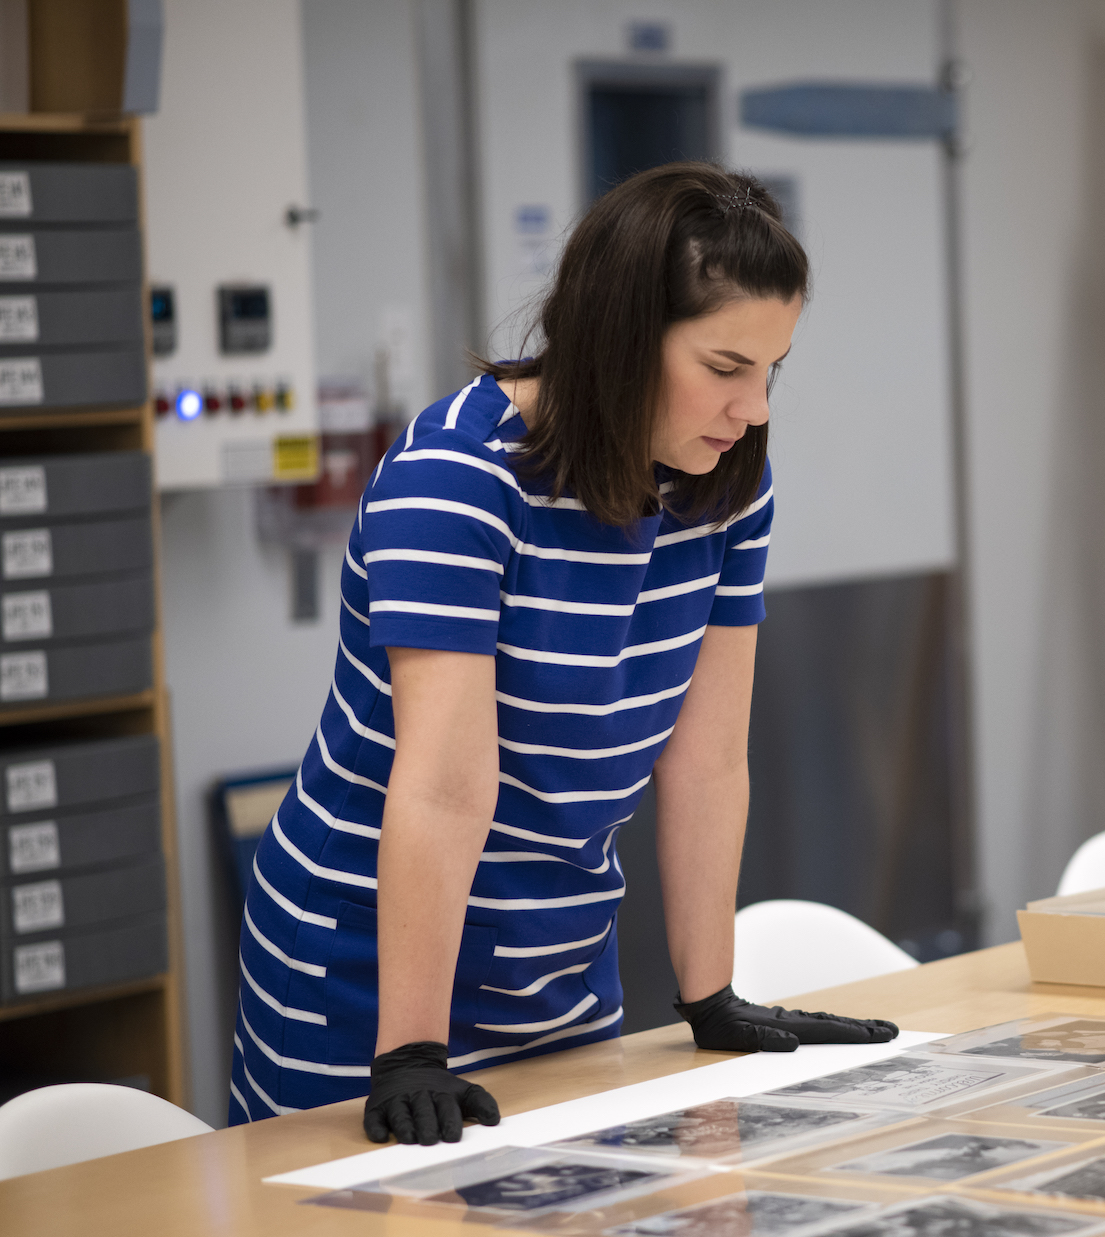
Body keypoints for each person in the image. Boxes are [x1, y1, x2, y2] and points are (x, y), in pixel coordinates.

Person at [229, 163, 898, 1145]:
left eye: (772, 370)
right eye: (724, 368)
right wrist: (410, 1048)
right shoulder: (457, 482)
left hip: (557, 961)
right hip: (367, 973)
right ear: (619, 337)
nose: (753, 408)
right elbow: (449, 787)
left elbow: (706, 760)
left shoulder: (722, 486)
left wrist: (710, 993)